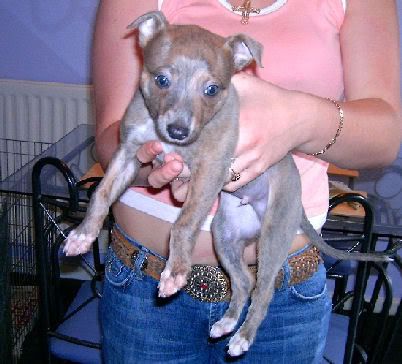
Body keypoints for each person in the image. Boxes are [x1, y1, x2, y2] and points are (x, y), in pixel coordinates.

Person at [94, 0, 401, 363]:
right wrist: (172, 162)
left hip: (283, 294)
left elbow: (384, 136)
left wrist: (298, 119)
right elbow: (110, 141)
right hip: (146, 286)